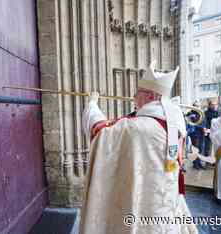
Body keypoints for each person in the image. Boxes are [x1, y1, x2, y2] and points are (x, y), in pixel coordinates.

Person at [80, 61, 197, 234]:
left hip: (143, 206)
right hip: (166, 202)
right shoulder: (174, 120)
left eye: (137, 93)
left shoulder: (138, 128)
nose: (134, 97)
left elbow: (101, 133)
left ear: (150, 96)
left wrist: (91, 106)